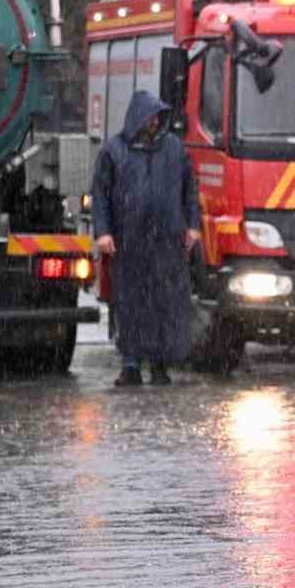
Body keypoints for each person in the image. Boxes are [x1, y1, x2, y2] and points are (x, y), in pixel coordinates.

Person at [90, 90, 200, 387]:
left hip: (167, 241)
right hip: (130, 242)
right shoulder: (114, 151)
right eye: (150, 117)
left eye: (157, 118)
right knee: (131, 304)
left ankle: (160, 364)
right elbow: (100, 194)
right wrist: (103, 231)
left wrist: (193, 225)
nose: (154, 123)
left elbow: (190, 189)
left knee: (165, 304)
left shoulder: (174, 148)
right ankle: (131, 364)